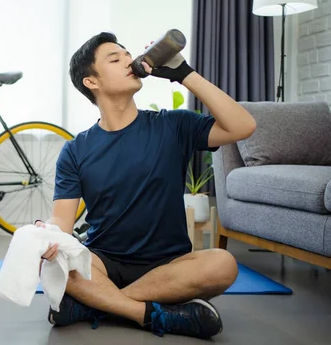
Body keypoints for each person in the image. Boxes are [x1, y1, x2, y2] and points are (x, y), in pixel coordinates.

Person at [35, 32, 256, 339]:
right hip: (104, 260)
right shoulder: (75, 150)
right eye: (115, 58)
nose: (128, 59)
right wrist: (47, 233)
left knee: (223, 264)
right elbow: (62, 220)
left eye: (127, 54)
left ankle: (96, 304)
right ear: (92, 82)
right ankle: (150, 314)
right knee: (57, 262)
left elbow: (244, 126)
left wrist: (185, 74)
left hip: (170, 264)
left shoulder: (173, 125)